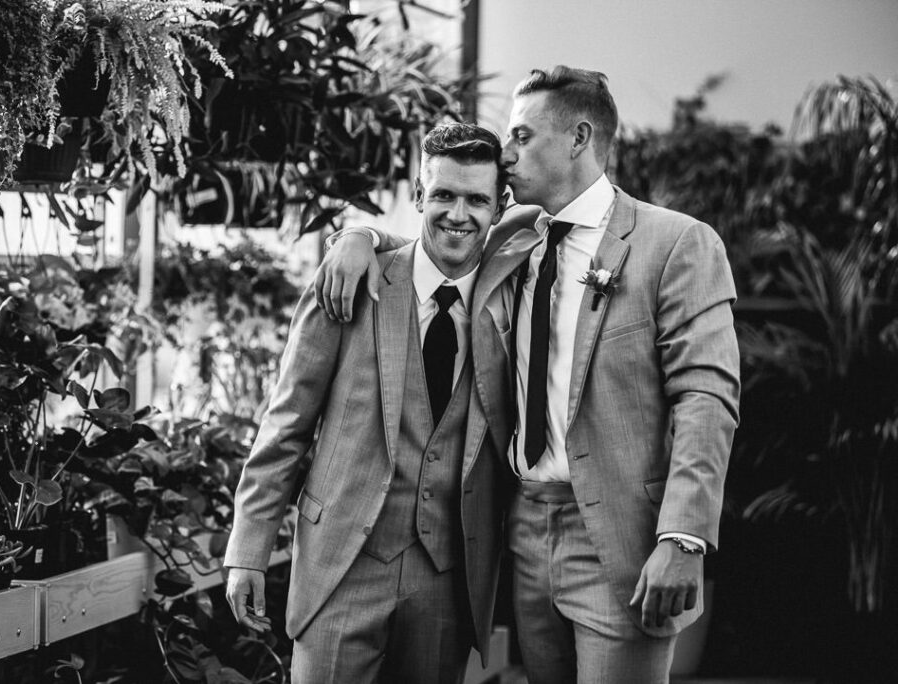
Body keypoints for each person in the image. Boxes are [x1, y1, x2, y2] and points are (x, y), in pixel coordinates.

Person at [315, 66, 741, 683]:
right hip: (524, 530)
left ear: (578, 137)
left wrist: (684, 538)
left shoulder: (676, 243)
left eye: (521, 137)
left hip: (620, 538)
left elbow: (707, 397)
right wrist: (356, 235)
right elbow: (433, 239)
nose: (505, 156)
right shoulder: (515, 235)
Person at [224, 122, 513, 684]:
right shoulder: (350, 282)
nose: (459, 213)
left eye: (477, 199)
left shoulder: (510, 296)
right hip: (341, 565)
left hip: (446, 577)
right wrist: (248, 547)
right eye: (444, 195)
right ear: (418, 196)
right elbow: (287, 423)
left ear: (499, 206)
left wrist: (361, 230)